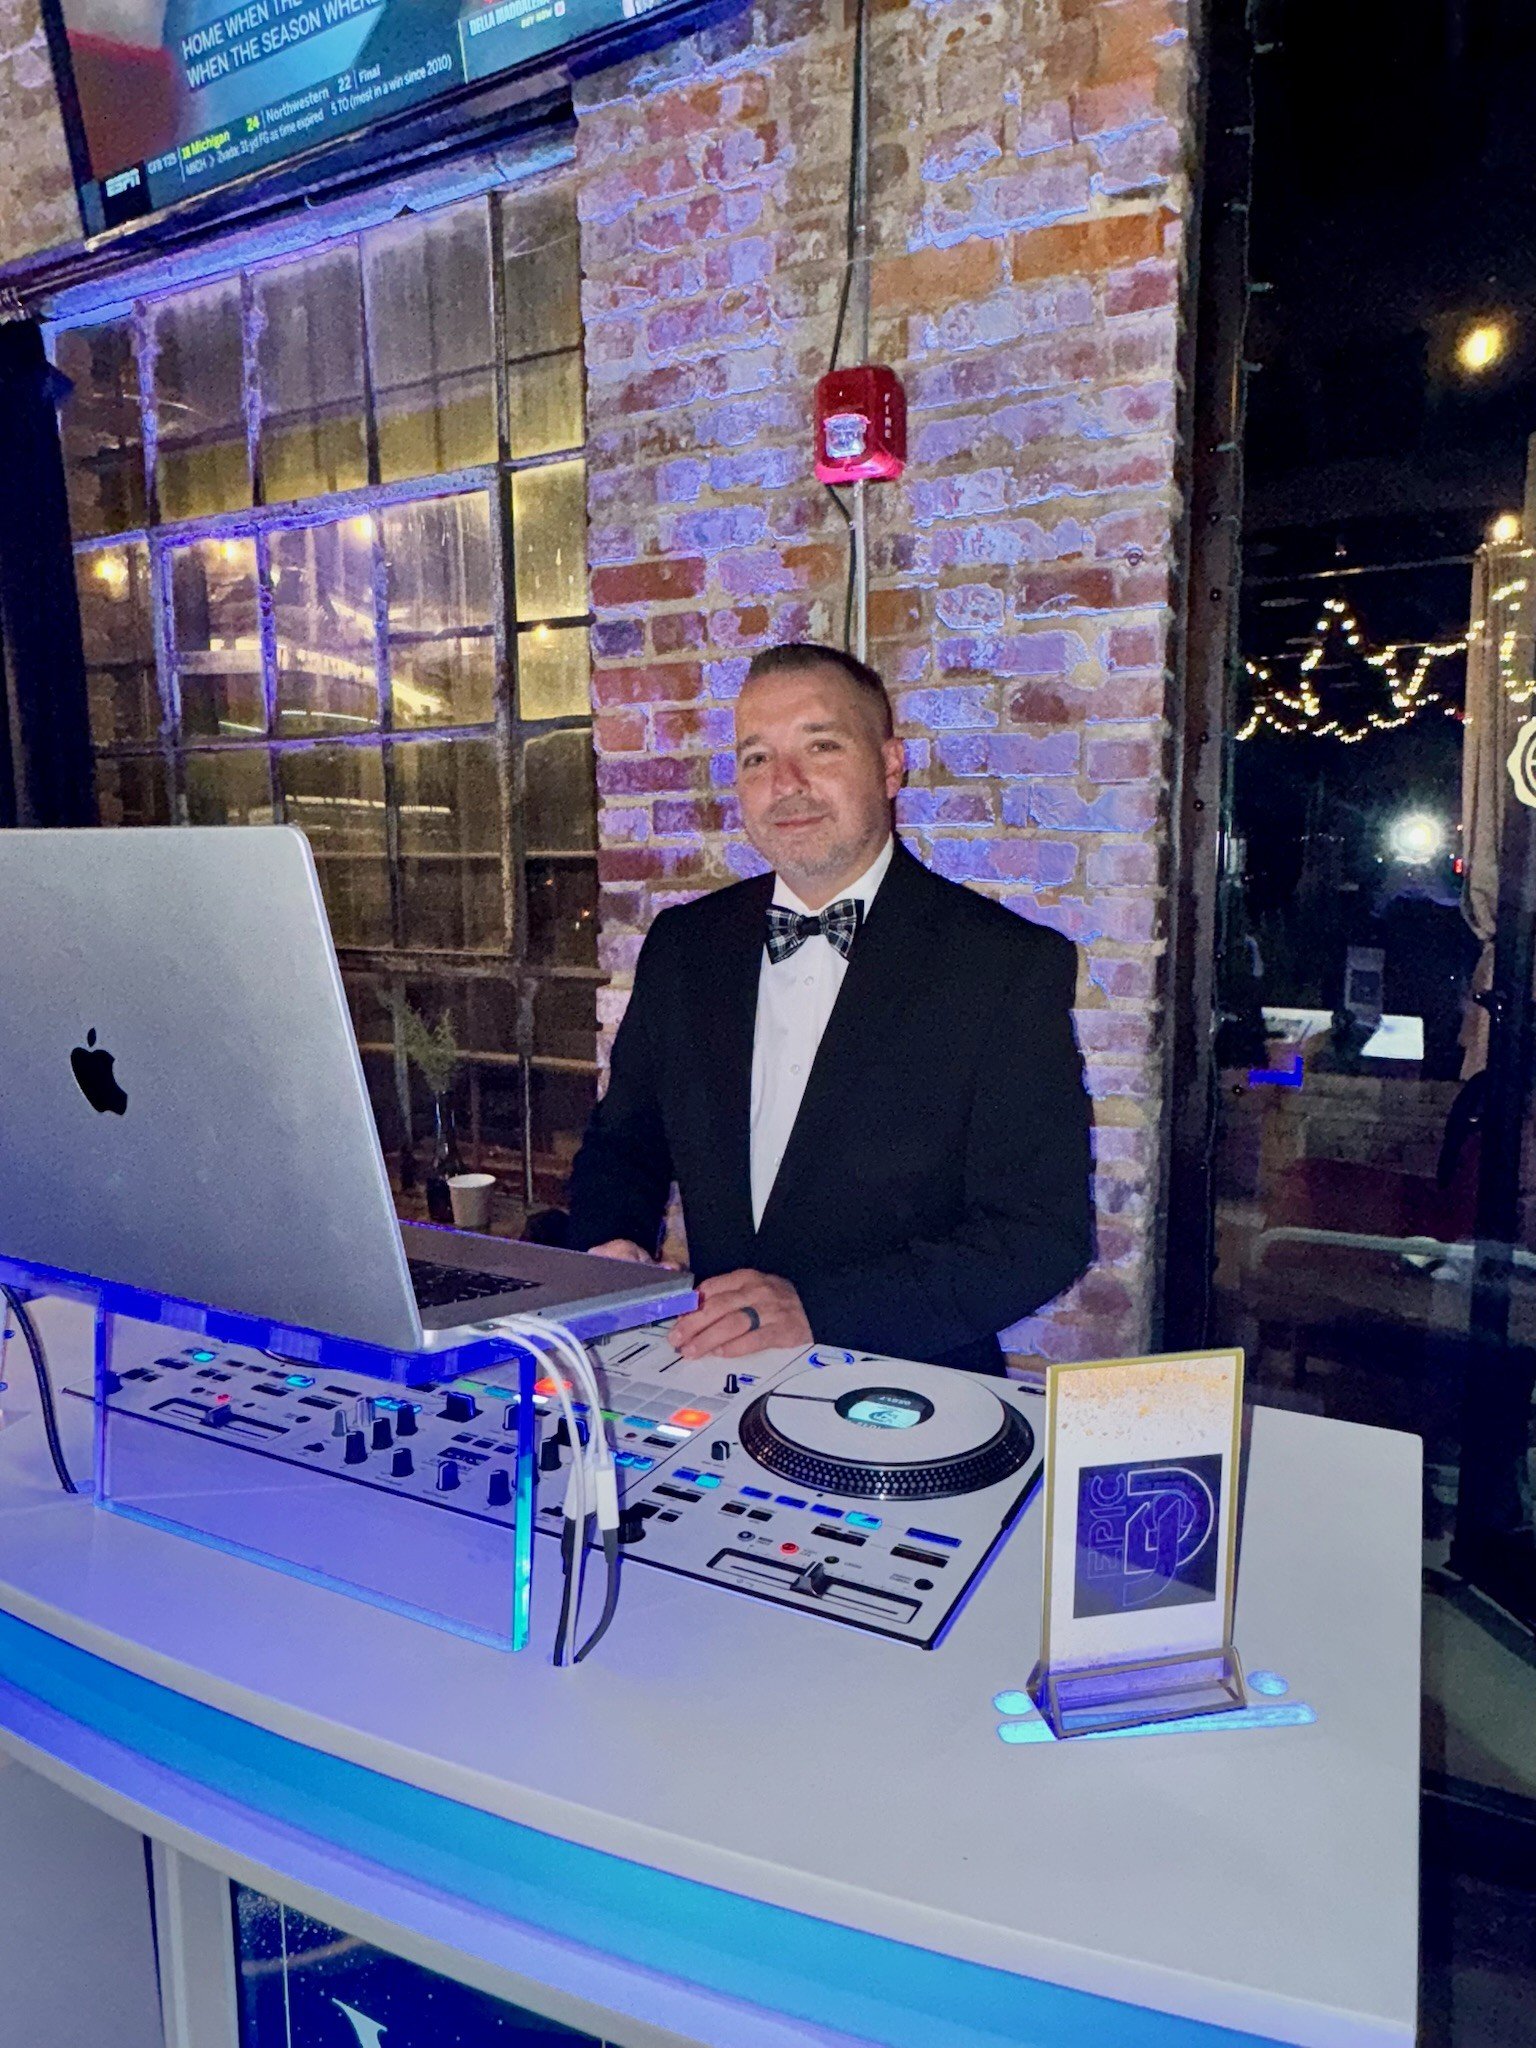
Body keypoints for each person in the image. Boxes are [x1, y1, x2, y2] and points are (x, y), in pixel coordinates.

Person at [566, 642, 1093, 1374]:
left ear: (889, 765)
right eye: (756, 758)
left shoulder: (1005, 964)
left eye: (821, 745)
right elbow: (625, 1140)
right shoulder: (683, 944)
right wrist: (612, 1246)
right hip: (704, 1374)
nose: (786, 784)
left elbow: (1042, 1236)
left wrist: (817, 1311)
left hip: (911, 1389)